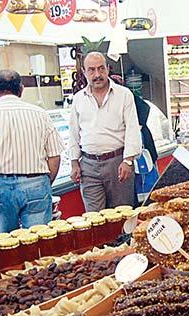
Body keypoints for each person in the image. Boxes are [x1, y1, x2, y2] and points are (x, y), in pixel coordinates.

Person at [0, 70, 64, 233]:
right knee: (38, 242)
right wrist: (44, 182)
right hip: (36, 183)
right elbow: (54, 156)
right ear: (21, 90)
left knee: (5, 245)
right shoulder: (40, 115)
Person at [68, 52, 142, 212]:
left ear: (108, 69)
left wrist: (128, 160)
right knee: (94, 220)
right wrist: (74, 162)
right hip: (88, 166)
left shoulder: (124, 95)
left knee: (122, 217)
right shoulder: (79, 99)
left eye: (101, 69)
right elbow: (73, 133)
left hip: (117, 163)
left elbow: (132, 129)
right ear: (84, 72)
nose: (97, 74)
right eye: (92, 70)